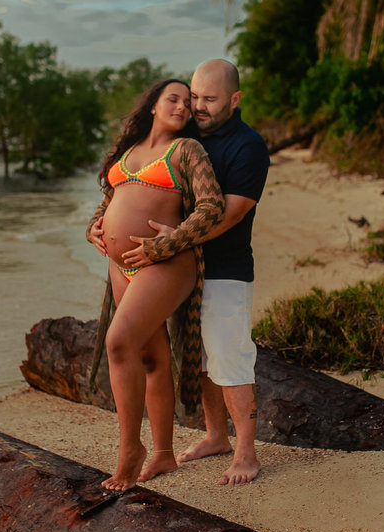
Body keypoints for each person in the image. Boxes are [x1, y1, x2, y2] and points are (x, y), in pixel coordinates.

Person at [119, 59, 269, 485]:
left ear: (235, 99)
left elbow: (232, 212)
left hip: (225, 268)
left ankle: (246, 452)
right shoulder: (187, 136)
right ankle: (216, 436)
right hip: (179, 269)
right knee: (197, 357)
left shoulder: (248, 146)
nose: (198, 106)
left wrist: (171, 241)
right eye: (194, 96)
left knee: (229, 357)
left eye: (209, 99)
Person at [86, 79, 224, 491]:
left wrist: (166, 243)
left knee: (118, 342)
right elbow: (110, 201)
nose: (183, 106)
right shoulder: (128, 153)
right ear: (152, 105)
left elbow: (212, 206)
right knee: (150, 357)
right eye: (174, 98)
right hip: (121, 266)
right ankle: (163, 454)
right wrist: (94, 228)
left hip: (166, 262)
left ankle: (130, 450)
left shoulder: (186, 151)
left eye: (189, 101)